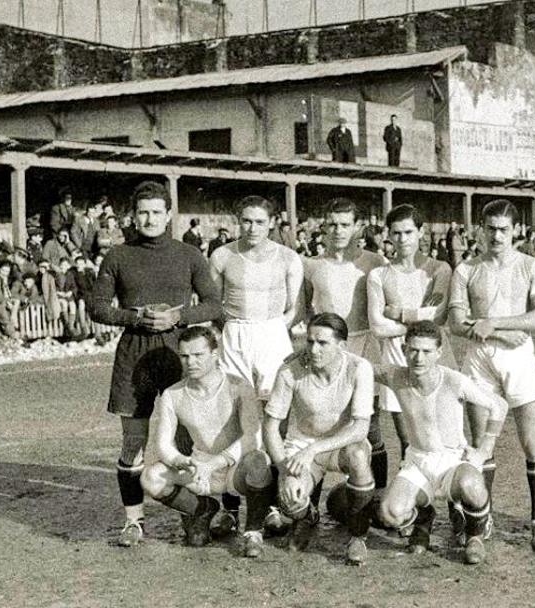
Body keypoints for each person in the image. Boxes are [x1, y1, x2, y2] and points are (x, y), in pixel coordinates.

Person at [89, 180, 221, 548]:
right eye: (142, 212)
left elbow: (213, 303)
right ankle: (134, 521)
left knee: (184, 439)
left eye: (156, 212)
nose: (149, 219)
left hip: (178, 355)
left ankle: (194, 512)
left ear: (168, 216)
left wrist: (178, 318)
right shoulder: (117, 255)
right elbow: (98, 307)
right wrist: (134, 317)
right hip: (134, 356)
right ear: (133, 216)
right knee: (133, 441)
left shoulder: (189, 255)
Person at [448, 199, 535, 551]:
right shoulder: (465, 269)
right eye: (491, 228)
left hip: (520, 356)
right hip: (479, 357)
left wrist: (492, 323)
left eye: (504, 229)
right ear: (480, 229)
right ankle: (483, 516)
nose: (497, 235)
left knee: (532, 440)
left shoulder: (533, 266)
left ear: (516, 232)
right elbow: (455, 323)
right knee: (482, 443)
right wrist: (498, 332)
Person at [209, 195, 303, 535]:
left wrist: (274, 328)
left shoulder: (289, 258)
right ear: (238, 221)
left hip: (273, 335)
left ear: (272, 223)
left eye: (260, 221)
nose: (253, 228)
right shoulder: (222, 255)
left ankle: (272, 507)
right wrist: (234, 330)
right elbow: (214, 303)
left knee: (272, 418)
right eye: (246, 220)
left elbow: (296, 308)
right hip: (235, 335)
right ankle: (230, 507)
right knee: (232, 418)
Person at [374, 321, 505, 564]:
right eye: (413, 350)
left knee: (472, 486)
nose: (418, 358)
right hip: (418, 462)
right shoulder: (395, 376)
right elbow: (358, 366)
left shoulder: (455, 381)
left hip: (452, 462)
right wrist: (312, 355)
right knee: (389, 514)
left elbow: (499, 405)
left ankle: (475, 534)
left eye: (426, 351)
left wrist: (484, 449)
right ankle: (424, 518)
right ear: (404, 349)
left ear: (438, 353)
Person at [140, 326, 275, 557]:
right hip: (199, 469)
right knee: (151, 478)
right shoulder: (172, 394)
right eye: (184, 356)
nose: (190, 362)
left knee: (258, 461)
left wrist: (213, 464)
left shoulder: (239, 387)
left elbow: (252, 437)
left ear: (215, 355)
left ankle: (253, 532)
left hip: (236, 468)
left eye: (198, 355)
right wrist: (182, 461)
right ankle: (203, 509)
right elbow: (163, 444)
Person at [262, 313, 376, 564]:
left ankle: (358, 535)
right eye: (310, 341)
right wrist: (283, 469)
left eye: (322, 343)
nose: (314, 349)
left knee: (358, 455)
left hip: (341, 445)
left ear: (342, 346)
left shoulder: (359, 368)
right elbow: (270, 427)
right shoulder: (289, 371)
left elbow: (360, 429)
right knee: (291, 499)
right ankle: (307, 517)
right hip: (302, 444)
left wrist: (314, 449)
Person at [302, 198, 390, 493]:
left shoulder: (374, 262)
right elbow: (306, 310)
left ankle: (377, 496)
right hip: (329, 350)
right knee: (322, 422)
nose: (338, 230)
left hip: (365, 345)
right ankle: (309, 501)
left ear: (357, 228)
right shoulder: (312, 265)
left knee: (372, 426)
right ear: (324, 227)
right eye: (332, 224)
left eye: (345, 225)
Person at [367, 204, 454, 462]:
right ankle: (416, 500)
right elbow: (378, 327)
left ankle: (455, 502)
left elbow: (439, 314)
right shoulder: (379, 275)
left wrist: (402, 313)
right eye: (396, 233)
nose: (402, 239)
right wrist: (418, 322)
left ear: (421, 232)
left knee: (446, 435)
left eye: (408, 232)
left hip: (438, 357)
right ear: (389, 235)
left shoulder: (439, 269)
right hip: (398, 358)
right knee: (410, 440)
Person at [0, 258, 20, 340]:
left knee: (16, 302)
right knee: (4, 316)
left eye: (7, 272)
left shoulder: (3, 277)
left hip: (2, 300)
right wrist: (6, 303)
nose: (5, 273)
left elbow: (6, 292)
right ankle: (12, 333)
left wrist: (9, 301)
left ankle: (13, 323)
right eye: (3, 271)